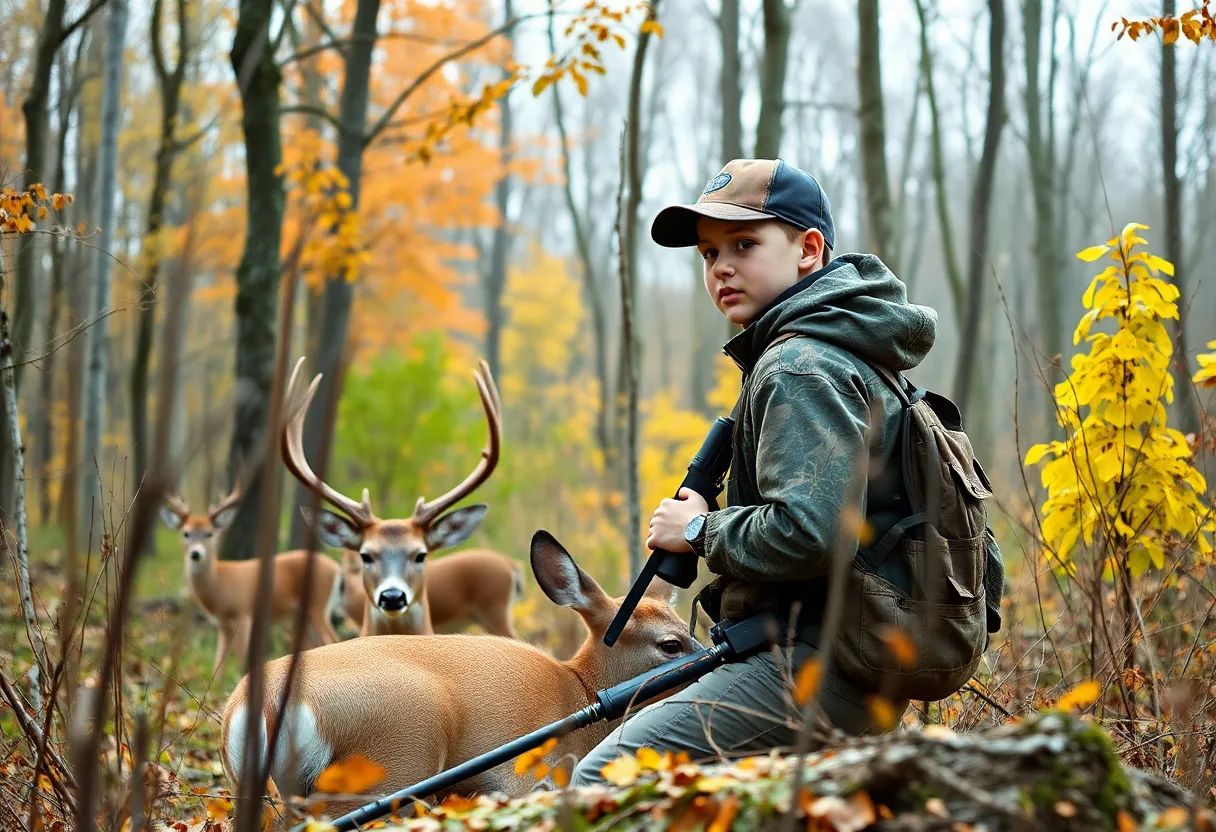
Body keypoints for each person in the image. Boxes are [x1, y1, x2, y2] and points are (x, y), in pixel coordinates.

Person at [571, 158, 940, 784]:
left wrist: (698, 531)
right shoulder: (842, 347)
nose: (721, 267)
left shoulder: (799, 365)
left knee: (604, 779)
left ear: (808, 250)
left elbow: (813, 533)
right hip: (843, 659)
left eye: (744, 244)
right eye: (709, 253)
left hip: (813, 665)